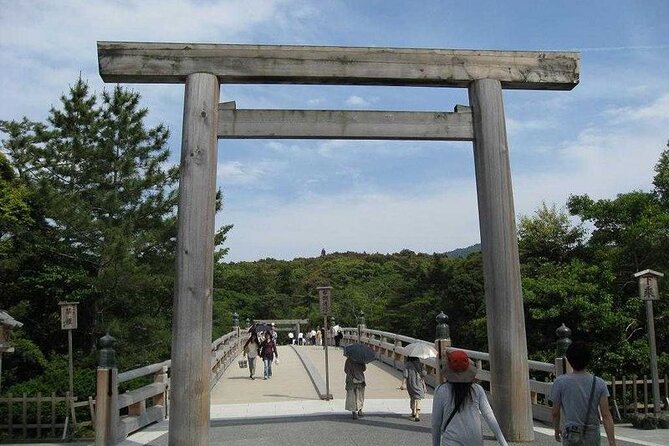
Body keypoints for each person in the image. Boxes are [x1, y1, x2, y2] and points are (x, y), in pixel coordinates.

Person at [432, 350, 508, 446]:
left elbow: (436, 423)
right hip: (475, 440)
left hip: (451, 440)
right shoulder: (477, 390)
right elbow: (490, 417)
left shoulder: (441, 391)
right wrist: (503, 443)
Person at [550, 341, 617, 446]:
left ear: (569, 359)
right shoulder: (599, 383)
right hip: (592, 433)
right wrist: (612, 442)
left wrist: (556, 429)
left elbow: (555, 412)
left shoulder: (560, 382)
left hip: (571, 431)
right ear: (588, 360)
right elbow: (606, 415)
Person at [400, 356, 428, 421]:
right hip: (419, 383)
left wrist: (403, 384)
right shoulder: (420, 364)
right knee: (418, 398)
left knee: (412, 397)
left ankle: (413, 412)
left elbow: (405, 375)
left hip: (410, 383)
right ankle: (417, 414)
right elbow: (424, 374)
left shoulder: (407, 364)